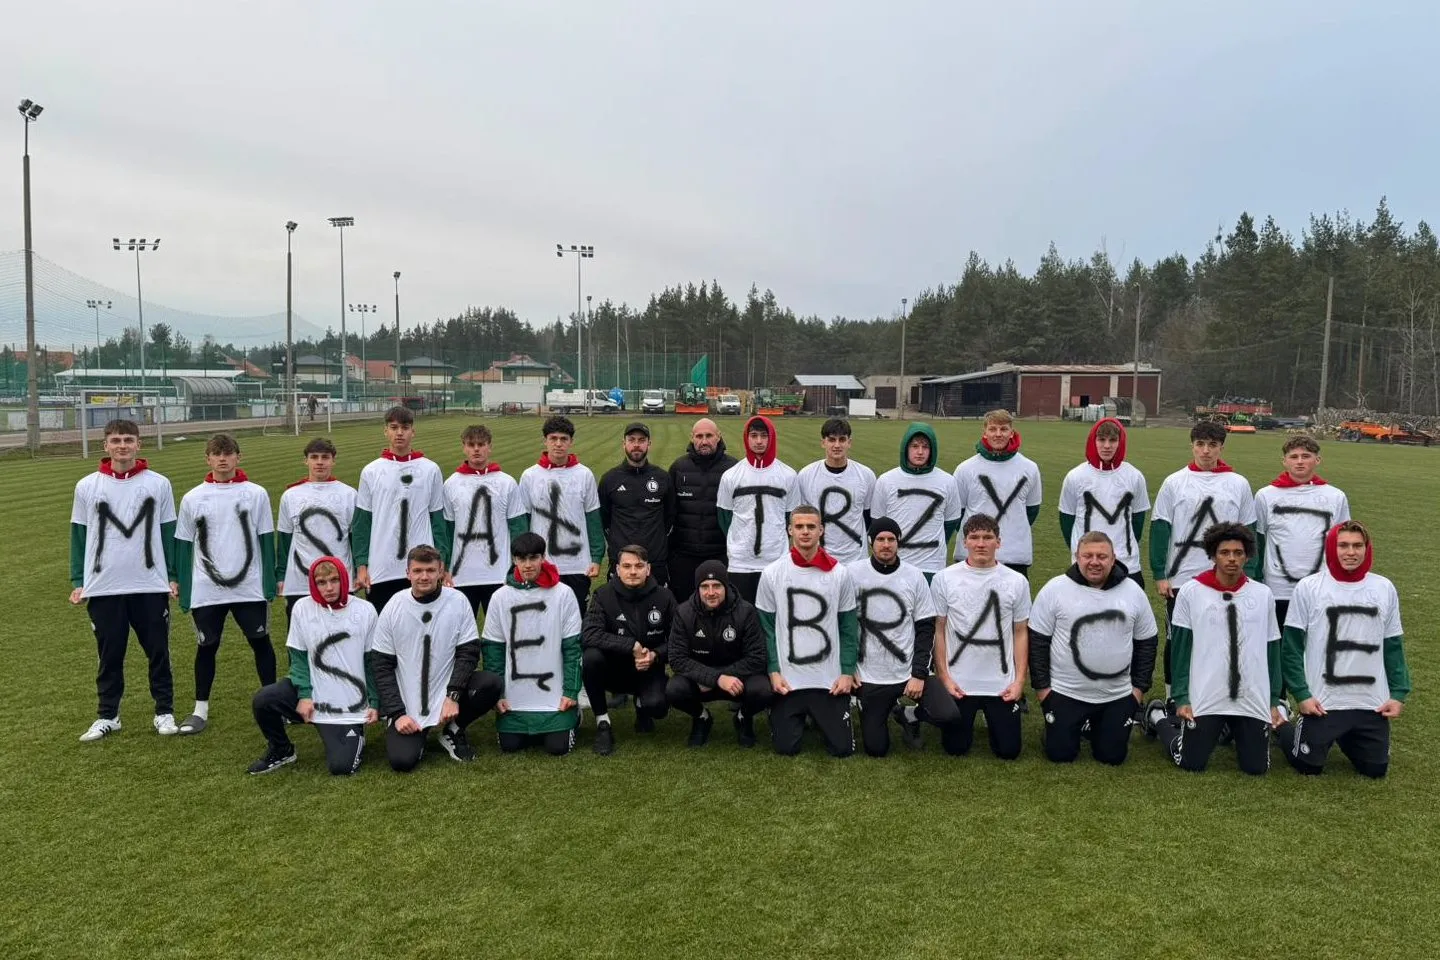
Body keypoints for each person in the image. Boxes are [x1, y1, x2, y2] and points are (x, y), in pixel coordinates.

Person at [69, 418, 180, 741]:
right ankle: (108, 715)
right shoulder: (87, 485)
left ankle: (164, 711)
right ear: (105, 445)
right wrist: (79, 579)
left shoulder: (159, 484)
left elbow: (168, 532)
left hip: (149, 585)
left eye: (128, 440)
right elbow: (79, 534)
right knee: (110, 655)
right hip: (104, 587)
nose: (122, 446)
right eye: (116, 440)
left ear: (138, 445)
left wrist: (172, 575)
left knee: (158, 651)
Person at [1145, 523, 1282, 775]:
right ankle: (1158, 718)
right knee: (1191, 762)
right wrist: (1182, 697)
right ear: (1213, 555)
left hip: (1250, 697)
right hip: (1206, 697)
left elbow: (1272, 649)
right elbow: (1181, 649)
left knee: (1256, 768)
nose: (1232, 558)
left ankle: (1231, 727)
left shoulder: (1263, 594)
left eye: (1238, 553)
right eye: (1225, 552)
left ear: (1247, 555)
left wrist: (1273, 700)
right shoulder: (1190, 592)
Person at [1276, 521, 1409, 778]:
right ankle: (1281, 725)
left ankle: (1345, 736)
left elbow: (1393, 645)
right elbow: (1291, 647)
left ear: (1367, 549)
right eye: (1343, 545)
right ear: (1331, 548)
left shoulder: (1384, 588)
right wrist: (1302, 695)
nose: (1351, 552)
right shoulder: (1309, 587)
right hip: (1323, 703)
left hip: (1371, 703)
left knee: (1375, 769)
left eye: (1358, 546)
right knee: (1308, 766)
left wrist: (1398, 693)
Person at [174, 433, 277, 735]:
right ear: (207, 459)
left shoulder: (255, 493)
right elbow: (182, 543)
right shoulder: (193, 497)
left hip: (249, 587)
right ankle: (199, 710)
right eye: (216, 454)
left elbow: (266, 539)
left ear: (238, 457)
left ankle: (272, 703)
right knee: (207, 646)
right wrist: (181, 584)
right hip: (208, 588)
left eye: (228, 453)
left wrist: (268, 583)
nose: (222, 459)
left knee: (260, 642)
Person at [1029, 532, 1159, 765]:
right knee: (1060, 755)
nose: (1094, 562)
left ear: (1113, 558)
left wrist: (1138, 691)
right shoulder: (1055, 589)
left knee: (1112, 757)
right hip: (1066, 692)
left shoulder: (1133, 592)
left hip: (1117, 695)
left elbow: (1147, 643)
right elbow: (1037, 643)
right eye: (1087, 556)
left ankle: (1093, 727)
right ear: (1076, 557)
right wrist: (1043, 692)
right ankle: (1060, 728)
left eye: (1102, 556)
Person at [369, 545, 502, 770]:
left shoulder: (458, 601)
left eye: (430, 570)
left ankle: (453, 730)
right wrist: (397, 713)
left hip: (446, 697)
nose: (424, 576)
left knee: (490, 684)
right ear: (407, 573)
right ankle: (407, 728)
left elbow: (468, 652)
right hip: (409, 703)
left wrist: (453, 695)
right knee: (402, 762)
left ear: (441, 571)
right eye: (418, 570)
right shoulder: (393, 606)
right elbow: (381, 664)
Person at [1150, 419, 1257, 698]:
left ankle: (1217, 696)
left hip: (1228, 579)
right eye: (1200, 444)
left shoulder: (1238, 484)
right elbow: (1160, 528)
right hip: (1182, 579)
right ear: (1192, 446)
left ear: (1221, 447)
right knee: (1179, 641)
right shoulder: (1174, 483)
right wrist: (1160, 573)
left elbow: (1251, 532)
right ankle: (1175, 696)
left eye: (1212, 445)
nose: (1206, 451)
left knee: (1223, 640)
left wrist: (1251, 575)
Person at [914, 513, 1031, 760]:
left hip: (1000, 683)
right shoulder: (945, 578)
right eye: (974, 537)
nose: (981, 543)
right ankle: (917, 713)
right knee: (955, 748)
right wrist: (944, 677)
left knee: (1009, 751)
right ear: (964, 542)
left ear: (998, 542)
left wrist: (1019, 681)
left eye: (987, 537)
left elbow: (1021, 632)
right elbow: (939, 630)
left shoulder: (1017, 581)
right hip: (960, 683)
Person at [248, 556, 379, 775]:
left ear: (344, 579)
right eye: (321, 582)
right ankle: (282, 750)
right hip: (315, 695)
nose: (329, 587)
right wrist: (305, 694)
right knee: (265, 700)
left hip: (349, 703)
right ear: (313, 584)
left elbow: (371, 661)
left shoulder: (365, 610)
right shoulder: (302, 608)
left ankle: (357, 733)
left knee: (341, 768)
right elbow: (298, 657)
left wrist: (374, 701)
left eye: (334, 580)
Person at [757, 505, 860, 757]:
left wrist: (847, 672)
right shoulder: (772, 573)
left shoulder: (839, 573)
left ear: (821, 530)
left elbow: (848, 627)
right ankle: (784, 713)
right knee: (786, 748)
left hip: (827, 680)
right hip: (789, 681)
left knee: (842, 750)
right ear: (789, 530)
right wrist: (773, 670)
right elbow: (767, 629)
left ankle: (825, 713)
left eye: (811, 527)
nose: (805, 532)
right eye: (799, 526)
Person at [480, 533, 584, 756]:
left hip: (554, 695)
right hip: (516, 697)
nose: (527, 565)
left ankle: (575, 716)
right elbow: (493, 649)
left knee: (558, 748)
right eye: (521, 559)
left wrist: (571, 692)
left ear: (543, 558)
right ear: (514, 560)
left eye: (533, 558)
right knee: (510, 746)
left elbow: (573, 647)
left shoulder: (564, 594)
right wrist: (498, 695)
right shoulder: (499, 597)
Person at [845, 517, 937, 757]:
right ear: (870, 542)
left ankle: (910, 714)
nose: (886, 545)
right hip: (869, 674)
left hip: (906, 672)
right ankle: (884, 709)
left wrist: (918, 673)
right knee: (876, 749)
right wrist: (848, 667)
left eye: (891, 540)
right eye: (880, 540)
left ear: (899, 542)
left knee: (946, 713)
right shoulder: (851, 573)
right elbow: (841, 624)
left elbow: (926, 628)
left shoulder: (915, 576)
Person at [581, 544, 677, 754]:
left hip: (648, 668)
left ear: (648, 569)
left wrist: (655, 655)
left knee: (658, 707)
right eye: (626, 566)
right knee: (590, 658)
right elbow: (589, 635)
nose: (633, 571)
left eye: (638, 566)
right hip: (613, 671)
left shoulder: (664, 597)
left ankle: (643, 705)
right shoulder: (602, 595)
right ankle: (602, 722)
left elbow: (679, 642)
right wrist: (630, 645)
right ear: (617, 569)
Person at [666, 559, 773, 747]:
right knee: (675, 689)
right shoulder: (683, 613)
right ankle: (701, 717)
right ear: (697, 589)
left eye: (716, 586)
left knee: (763, 690)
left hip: (737, 680)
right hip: (701, 681)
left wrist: (723, 676)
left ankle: (743, 717)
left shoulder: (746, 611)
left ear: (726, 586)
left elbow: (757, 658)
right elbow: (677, 659)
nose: (711, 592)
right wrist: (714, 678)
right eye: (704, 586)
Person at [353, 405, 448, 612]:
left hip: (422, 567)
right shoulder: (371, 471)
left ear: (413, 431)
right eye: (394, 427)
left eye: (404, 427)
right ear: (385, 431)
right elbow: (362, 523)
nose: (399, 433)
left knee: (424, 627)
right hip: (382, 568)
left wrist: (442, 563)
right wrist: (362, 565)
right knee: (384, 633)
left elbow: (438, 521)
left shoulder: (430, 469)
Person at [1254, 435, 1350, 629]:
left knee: (1317, 647)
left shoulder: (1335, 496)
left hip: (1321, 587)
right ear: (1284, 461)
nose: (1299, 461)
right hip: (1278, 589)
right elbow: (1258, 540)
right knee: (1280, 647)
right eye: (1294, 456)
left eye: (1305, 456)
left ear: (1317, 460)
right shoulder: (1266, 496)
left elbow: (1344, 541)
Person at [517, 415, 604, 617]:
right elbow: (523, 523)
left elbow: (593, 519)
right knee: (542, 622)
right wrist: (524, 559)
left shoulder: (584, 475)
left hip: (578, 565)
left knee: (576, 621)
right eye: (553, 438)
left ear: (571, 442)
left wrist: (597, 557)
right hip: (542, 564)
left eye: (563, 439)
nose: (558, 444)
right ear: (545, 440)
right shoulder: (530, 476)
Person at [443, 423, 527, 618]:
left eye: (481, 444)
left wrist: (517, 565)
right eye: (471, 445)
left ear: (490, 446)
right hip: (460, 576)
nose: (476, 449)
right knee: (462, 636)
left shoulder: (506, 482)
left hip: (499, 574)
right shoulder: (451, 484)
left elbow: (518, 528)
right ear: (464, 447)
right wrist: (444, 566)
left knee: (502, 634)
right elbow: (446, 530)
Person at [1059, 417, 1149, 588]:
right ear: (1093, 441)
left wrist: (1125, 547)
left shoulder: (1134, 476)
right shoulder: (1075, 477)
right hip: (1087, 565)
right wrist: (1081, 552)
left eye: (1113, 440)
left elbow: (1138, 520)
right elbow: (1066, 520)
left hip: (1127, 564)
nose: (1107, 446)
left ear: (1120, 442)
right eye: (1101, 440)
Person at [718, 415, 799, 604]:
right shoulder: (731, 476)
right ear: (746, 438)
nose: (759, 441)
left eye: (764, 436)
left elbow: (791, 518)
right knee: (741, 618)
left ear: (772, 437)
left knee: (773, 617)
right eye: (754, 436)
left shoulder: (788, 475)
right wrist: (739, 541)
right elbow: (724, 517)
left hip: (775, 560)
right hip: (740, 563)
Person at [274, 437, 357, 621]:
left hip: (340, 581)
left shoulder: (349, 494)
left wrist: (359, 571)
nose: (320, 462)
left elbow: (354, 538)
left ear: (333, 460)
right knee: (300, 638)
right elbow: (285, 539)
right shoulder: (290, 495)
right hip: (299, 583)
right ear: (306, 460)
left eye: (325, 457)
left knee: (343, 633)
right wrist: (281, 576)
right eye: (314, 457)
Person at [953, 409, 1043, 578]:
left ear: (1011, 432)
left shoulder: (1029, 468)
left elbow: (1031, 510)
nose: (998, 434)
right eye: (993, 429)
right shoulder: (965, 469)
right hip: (972, 555)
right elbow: (958, 513)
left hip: (1014, 555)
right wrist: (978, 538)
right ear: (985, 433)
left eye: (1003, 429)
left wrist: (1011, 529)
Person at [868, 423, 961, 581]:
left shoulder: (947, 481)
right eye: (914, 446)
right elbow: (878, 522)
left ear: (932, 450)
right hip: (896, 565)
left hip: (932, 566)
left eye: (925, 447)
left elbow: (950, 522)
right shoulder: (886, 481)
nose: (920, 452)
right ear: (906, 448)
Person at [598, 422, 676, 586]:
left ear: (649, 444)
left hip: (655, 560)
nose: (636, 445)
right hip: (621, 562)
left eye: (641, 440)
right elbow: (604, 519)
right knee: (619, 608)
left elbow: (669, 517)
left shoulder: (662, 478)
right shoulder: (610, 479)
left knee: (658, 608)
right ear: (624, 443)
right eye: (631, 440)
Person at [668, 418, 738, 598]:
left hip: (721, 554)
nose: (704, 441)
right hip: (683, 555)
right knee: (683, 607)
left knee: (720, 606)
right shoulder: (678, 468)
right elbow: (669, 513)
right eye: (699, 436)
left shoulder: (734, 469)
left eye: (709, 436)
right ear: (692, 438)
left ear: (718, 437)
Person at [796, 418, 877, 565]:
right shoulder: (806, 475)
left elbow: (868, 516)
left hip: (856, 559)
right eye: (832, 440)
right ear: (823, 442)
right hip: (820, 559)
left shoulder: (866, 475)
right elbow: (803, 520)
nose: (837, 445)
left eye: (842, 440)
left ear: (849, 442)